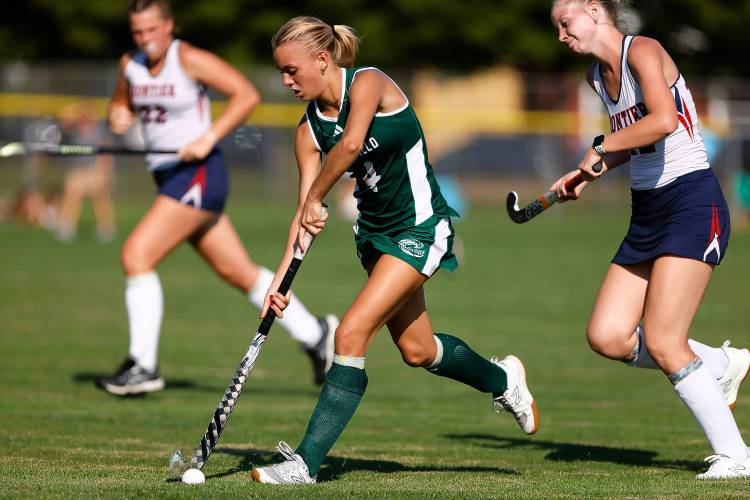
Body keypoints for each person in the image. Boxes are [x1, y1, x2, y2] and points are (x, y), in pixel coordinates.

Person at [250, 16, 540, 485]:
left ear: (322, 60)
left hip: (421, 227)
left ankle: (304, 464)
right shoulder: (306, 132)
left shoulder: (369, 83)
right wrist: (279, 283)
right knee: (418, 351)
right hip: (374, 238)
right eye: (282, 72)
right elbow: (302, 219)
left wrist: (315, 198)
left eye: (291, 71)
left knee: (350, 335)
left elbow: (348, 147)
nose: (286, 82)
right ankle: (503, 380)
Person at [549, 0, 750, 480]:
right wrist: (589, 170)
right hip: (648, 213)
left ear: (595, 10)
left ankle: (737, 456)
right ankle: (720, 363)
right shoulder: (597, 78)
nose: (560, 35)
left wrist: (599, 147)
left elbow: (662, 120)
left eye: (565, 21)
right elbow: (634, 139)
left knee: (663, 339)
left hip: (691, 203)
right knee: (607, 335)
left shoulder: (643, 51)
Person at [95, 0, 337, 396]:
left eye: (152, 29)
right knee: (238, 271)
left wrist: (206, 137)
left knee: (136, 254)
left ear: (169, 26)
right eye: (138, 32)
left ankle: (143, 365)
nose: (146, 39)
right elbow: (121, 104)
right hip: (170, 177)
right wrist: (117, 113)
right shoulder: (131, 65)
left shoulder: (187, 58)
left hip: (199, 174)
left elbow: (246, 95)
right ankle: (317, 334)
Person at [55, 101, 117, 242]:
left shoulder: (99, 130)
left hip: (95, 169)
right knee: (71, 197)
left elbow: (106, 150)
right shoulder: (75, 129)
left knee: (101, 199)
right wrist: (73, 111)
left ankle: (106, 227)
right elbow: (63, 123)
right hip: (79, 170)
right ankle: (66, 226)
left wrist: (105, 171)